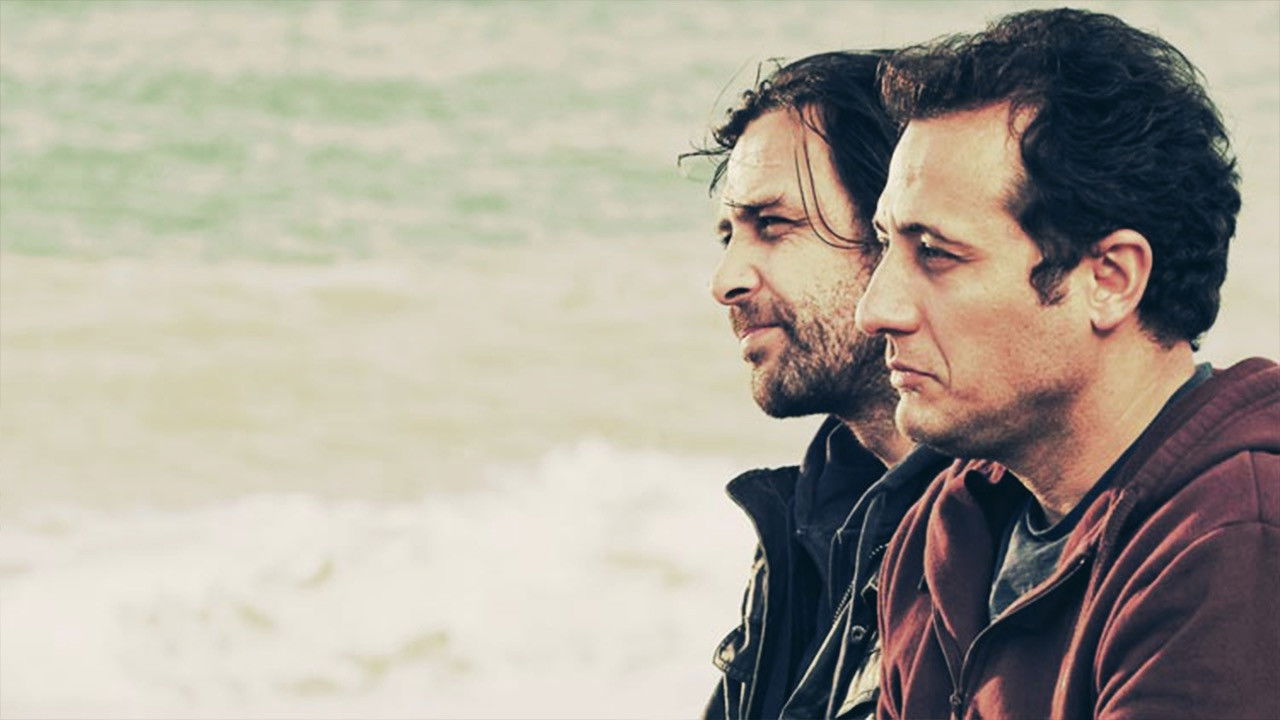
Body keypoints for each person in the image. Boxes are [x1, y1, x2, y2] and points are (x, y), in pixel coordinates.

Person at [856, 8, 1280, 719]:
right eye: (884, 244)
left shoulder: (1234, 542)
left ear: (1109, 279)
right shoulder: (943, 531)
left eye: (935, 253)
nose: (875, 309)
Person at [683, 51, 951, 720]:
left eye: (772, 226)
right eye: (727, 236)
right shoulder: (808, 524)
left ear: (898, 233)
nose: (725, 281)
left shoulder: (992, 538)